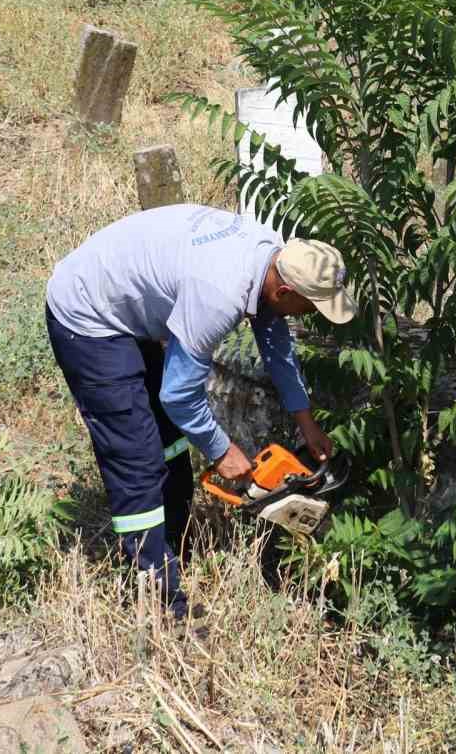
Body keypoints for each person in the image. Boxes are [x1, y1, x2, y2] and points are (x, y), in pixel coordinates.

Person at [44, 204, 357, 618]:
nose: (313, 315)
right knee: (136, 456)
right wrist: (222, 450)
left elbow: (276, 344)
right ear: (284, 292)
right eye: (312, 306)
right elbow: (179, 395)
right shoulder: (219, 292)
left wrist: (306, 420)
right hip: (89, 314)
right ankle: (156, 601)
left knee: (169, 445)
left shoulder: (270, 259)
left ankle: (173, 548)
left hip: (128, 304)